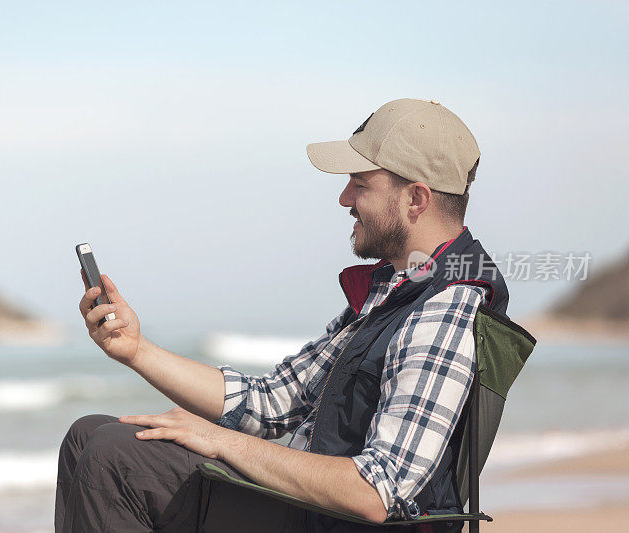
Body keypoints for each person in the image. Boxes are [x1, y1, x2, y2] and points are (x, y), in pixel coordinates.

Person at [55, 98, 514, 533]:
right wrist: (136, 351)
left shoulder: (445, 308)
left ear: (416, 199)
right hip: (304, 512)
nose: (343, 199)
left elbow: (377, 490)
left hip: (329, 521)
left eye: (360, 184)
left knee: (113, 455)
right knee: (88, 436)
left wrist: (221, 441)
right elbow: (269, 402)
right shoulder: (394, 290)